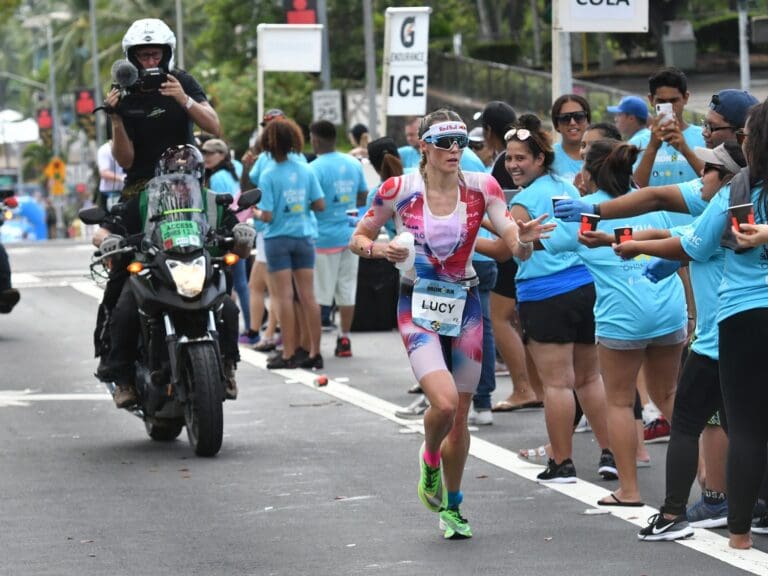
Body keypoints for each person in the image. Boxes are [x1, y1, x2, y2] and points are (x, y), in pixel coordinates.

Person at [351, 109, 553, 539]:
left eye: (461, 140)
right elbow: (358, 238)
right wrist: (379, 252)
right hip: (417, 304)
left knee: (460, 417)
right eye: (444, 142)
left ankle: (454, 507)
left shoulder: (482, 187)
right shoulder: (398, 189)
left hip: (465, 304)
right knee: (442, 404)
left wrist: (524, 244)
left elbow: (511, 241)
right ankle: (429, 459)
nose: (455, 150)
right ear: (423, 146)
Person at [617, 100, 768, 549]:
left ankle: (735, 532)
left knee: (739, 428)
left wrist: (626, 243)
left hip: (739, 320)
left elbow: (696, 245)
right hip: (735, 323)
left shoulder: (737, 189)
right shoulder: (727, 187)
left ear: (750, 140)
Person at [599, 142, 745, 540]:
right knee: (747, 429)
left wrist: (634, 247)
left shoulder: (724, 204)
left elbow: (686, 244)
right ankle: (748, 518)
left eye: (710, 168)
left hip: (717, 340)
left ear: (728, 176)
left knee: (683, 424)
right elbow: (672, 232)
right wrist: (623, 239)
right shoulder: (753, 203)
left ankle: (672, 514)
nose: (701, 174)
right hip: (750, 335)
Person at [547, 139, 687, 507]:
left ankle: (629, 490)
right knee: (670, 395)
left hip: (623, 317)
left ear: (590, 176)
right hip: (669, 309)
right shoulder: (651, 201)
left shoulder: (585, 216)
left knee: (621, 402)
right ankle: (710, 480)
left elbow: (540, 243)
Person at [490, 114, 614, 484]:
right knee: (590, 378)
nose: (512, 165)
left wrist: (488, 227)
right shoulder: (569, 188)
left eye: (520, 158)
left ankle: (562, 462)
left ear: (540, 159)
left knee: (558, 384)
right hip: (584, 289)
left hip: (544, 294)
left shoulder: (523, 202)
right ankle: (611, 452)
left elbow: (515, 252)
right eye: (509, 159)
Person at [99, 145, 254, 406]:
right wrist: (110, 239)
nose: (181, 183)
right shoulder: (144, 200)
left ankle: (227, 367)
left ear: (200, 176)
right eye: (174, 175)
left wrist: (241, 235)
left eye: (189, 176)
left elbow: (233, 230)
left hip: (200, 270)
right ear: (161, 176)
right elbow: (116, 228)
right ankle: (123, 378)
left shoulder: (214, 201)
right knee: (124, 311)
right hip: (154, 271)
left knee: (228, 309)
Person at [104, 18, 221, 199]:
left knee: (228, 223)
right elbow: (125, 161)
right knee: (113, 227)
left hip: (186, 184)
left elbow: (214, 126)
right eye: (144, 56)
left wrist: (184, 99)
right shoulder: (122, 97)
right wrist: (116, 119)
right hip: (141, 188)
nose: (151, 62)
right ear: (133, 58)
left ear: (166, 55)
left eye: (156, 55)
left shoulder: (182, 81)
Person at [254, 119, 325, 370]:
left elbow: (268, 215)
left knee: (283, 296)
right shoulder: (306, 169)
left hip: (277, 239)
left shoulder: (268, 173)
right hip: (304, 236)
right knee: (308, 296)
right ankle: (315, 352)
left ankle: (289, 353)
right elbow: (320, 204)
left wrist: (255, 212)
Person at [308, 120, 368, 357]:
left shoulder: (314, 168)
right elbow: (363, 196)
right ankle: (345, 339)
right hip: (350, 236)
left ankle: (314, 346)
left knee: (318, 294)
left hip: (322, 240)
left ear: (314, 140)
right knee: (347, 290)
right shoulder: (353, 163)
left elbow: (311, 203)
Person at [202, 138, 255, 346]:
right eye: (203, 153)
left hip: (226, 234)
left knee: (234, 285)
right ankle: (251, 326)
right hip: (240, 230)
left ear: (222, 155)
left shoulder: (217, 178)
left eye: (210, 153)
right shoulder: (235, 169)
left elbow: (222, 209)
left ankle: (249, 328)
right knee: (242, 284)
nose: (206, 157)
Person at [630, 67, 704, 197]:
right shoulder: (637, 142)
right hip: (655, 217)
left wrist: (685, 149)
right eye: (662, 102)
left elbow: (716, 185)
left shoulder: (704, 137)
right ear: (651, 100)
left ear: (686, 98)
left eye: (674, 101)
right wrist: (652, 147)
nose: (669, 107)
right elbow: (634, 191)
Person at [551, 94, 591, 185]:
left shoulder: (602, 156)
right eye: (565, 118)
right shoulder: (549, 157)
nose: (572, 122)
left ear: (588, 121)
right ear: (556, 125)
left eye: (579, 116)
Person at [97, 135, 125, 210]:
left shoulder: (126, 147)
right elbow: (104, 173)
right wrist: (122, 178)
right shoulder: (105, 150)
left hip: (124, 191)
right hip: (109, 193)